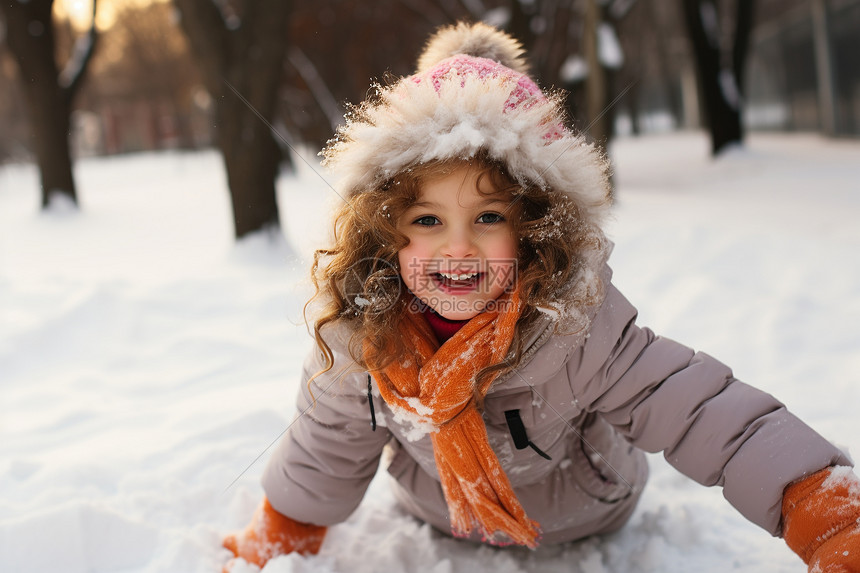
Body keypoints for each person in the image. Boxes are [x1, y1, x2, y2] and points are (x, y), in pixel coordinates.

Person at [221, 22, 859, 572]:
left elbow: (705, 414)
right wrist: (283, 534)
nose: (458, 249)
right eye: (426, 221)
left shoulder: (577, 327)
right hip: (443, 518)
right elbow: (323, 447)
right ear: (383, 233)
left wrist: (822, 512)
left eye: (490, 218)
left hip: (591, 511)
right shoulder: (365, 345)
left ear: (534, 232)